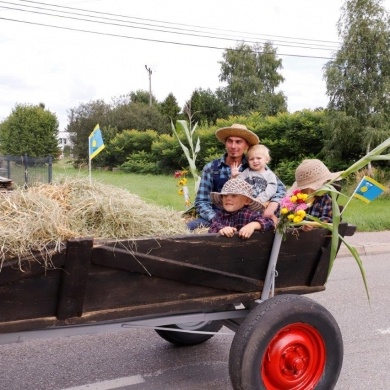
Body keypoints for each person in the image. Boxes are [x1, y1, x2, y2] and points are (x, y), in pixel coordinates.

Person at [187, 123, 286, 230]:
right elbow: (201, 201)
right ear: (225, 143)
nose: (233, 146)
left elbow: (280, 189)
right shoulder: (211, 168)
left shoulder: (255, 164)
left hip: (247, 216)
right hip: (218, 214)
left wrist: (272, 206)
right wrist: (216, 219)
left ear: (246, 145)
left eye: (238, 142)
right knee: (188, 228)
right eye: (230, 141)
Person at [208, 178, 275, 238]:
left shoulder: (248, 214)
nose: (228, 198)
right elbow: (213, 227)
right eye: (225, 195)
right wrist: (222, 229)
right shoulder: (220, 215)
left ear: (247, 201)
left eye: (234, 195)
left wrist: (253, 225)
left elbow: (270, 223)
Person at [289, 159, 343, 231]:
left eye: (326, 183)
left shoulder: (326, 200)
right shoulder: (296, 199)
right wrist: (300, 226)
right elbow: (290, 219)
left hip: (315, 237)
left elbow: (327, 219)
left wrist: (312, 225)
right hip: (295, 236)